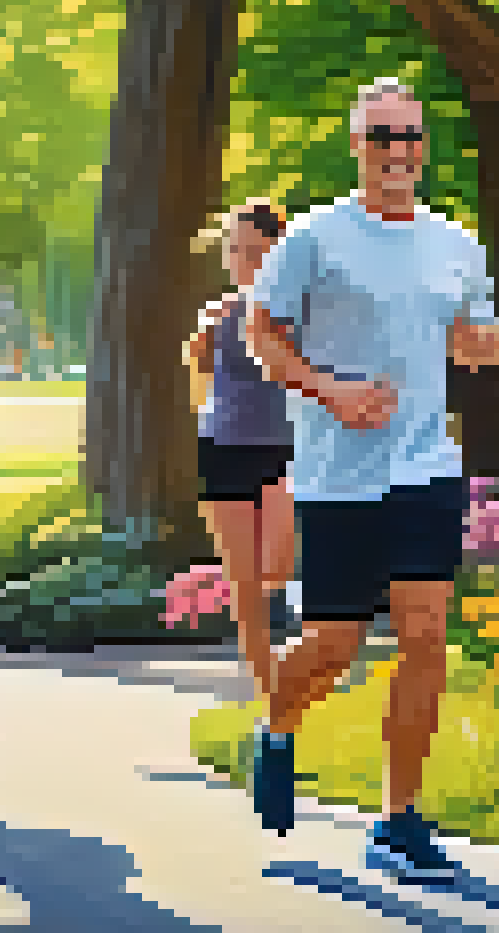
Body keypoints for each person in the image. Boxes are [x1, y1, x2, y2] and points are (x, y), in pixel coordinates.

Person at [242, 77, 499, 887]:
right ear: (357, 146)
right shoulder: (315, 238)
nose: (399, 152)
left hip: (426, 466)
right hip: (337, 476)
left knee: (425, 636)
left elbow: (480, 334)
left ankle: (398, 822)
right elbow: (262, 335)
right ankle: (277, 724)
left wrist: (477, 343)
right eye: (383, 137)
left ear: (424, 148)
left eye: (410, 137)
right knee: (333, 646)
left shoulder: (455, 243)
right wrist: (329, 390)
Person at [184, 200, 299, 699]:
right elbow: (200, 382)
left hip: (286, 450)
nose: (243, 260)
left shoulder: (304, 314)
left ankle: (294, 628)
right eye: (235, 249)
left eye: (255, 250)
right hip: (224, 449)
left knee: (276, 564)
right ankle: (266, 692)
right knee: (243, 584)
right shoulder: (216, 316)